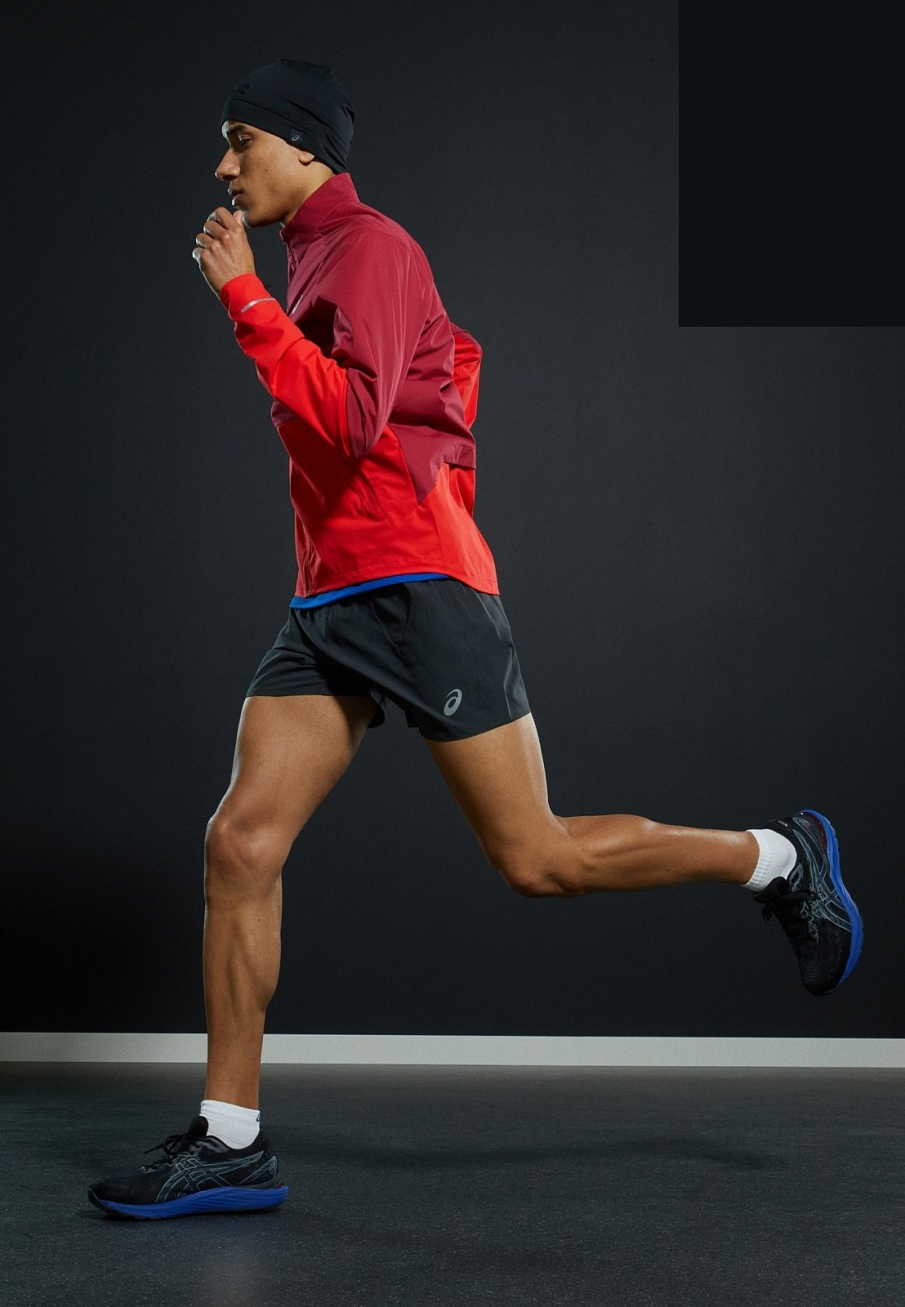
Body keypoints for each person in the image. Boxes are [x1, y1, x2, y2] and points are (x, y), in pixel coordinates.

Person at [87, 59, 863, 1221]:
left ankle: (778, 858)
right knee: (240, 843)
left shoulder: (370, 247)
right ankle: (230, 1137)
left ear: (304, 147)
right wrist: (265, 300)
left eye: (239, 140)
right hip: (331, 600)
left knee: (537, 859)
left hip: (416, 586)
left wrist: (242, 299)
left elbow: (356, 420)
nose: (222, 166)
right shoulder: (313, 257)